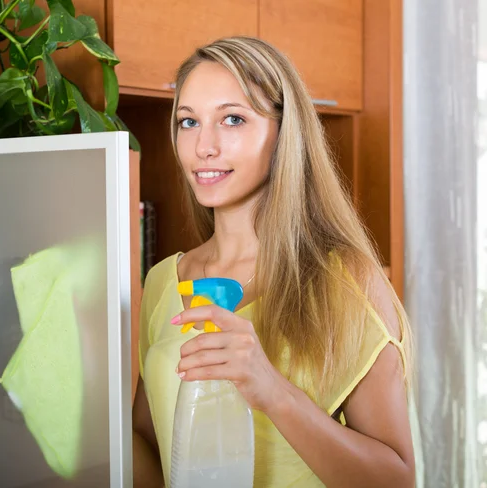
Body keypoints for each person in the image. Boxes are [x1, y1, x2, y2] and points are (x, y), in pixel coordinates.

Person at [132, 36, 415, 488]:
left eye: (232, 119)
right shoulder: (164, 280)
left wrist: (272, 389)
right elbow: (147, 448)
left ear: (284, 134)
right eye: (188, 122)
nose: (203, 146)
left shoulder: (345, 280)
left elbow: (397, 480)